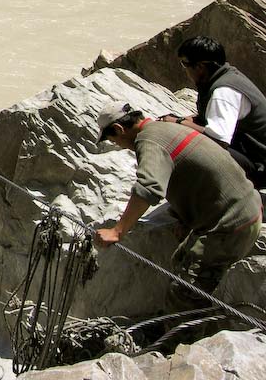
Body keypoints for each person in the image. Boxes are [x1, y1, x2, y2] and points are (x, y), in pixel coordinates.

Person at [94, 102, 261, 308]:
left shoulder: (149, 141)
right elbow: (192, 174)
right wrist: (182, 215)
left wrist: (117, 231)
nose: (119, 145)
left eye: (114, 140)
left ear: (120, 129)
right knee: (180, 260)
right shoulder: (168, 127)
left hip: (231, 225)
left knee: (183, 295)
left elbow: (149, 187)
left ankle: (187, 338)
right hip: (248, 208)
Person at [159, 36, 266, 188]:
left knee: (189, 144)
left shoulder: (224, 92)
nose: (185, 70)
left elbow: (218, 141)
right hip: (253, 154)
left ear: (200, 67)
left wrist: (179, 122)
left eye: (185, 64)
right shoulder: (229, 75)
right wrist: (186, 121)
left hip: (260, 167)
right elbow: (212, 118)